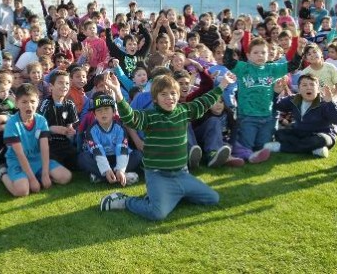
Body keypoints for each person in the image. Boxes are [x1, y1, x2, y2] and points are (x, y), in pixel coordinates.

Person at [100, 71, 235, 221]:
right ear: (155, 99)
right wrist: (118, 93)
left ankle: (168, 195)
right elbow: (130, 118)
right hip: (158, 175)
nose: (169, 98)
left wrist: (223, 84)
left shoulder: (184, 111)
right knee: (157, 213)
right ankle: (126, 201)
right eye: (163, 94)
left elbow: (204, 101)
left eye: (172, 93)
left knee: (213, 198)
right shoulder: (150, 116)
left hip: (182, 174)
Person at [224, 30, 301, 152]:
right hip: (247, 116)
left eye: (263, 52)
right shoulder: (243, 68)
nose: (260, 55)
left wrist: (299, 49)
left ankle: (250, 152)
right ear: (248, 55)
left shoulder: (272, 68)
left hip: (267, 116)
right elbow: (228, 61)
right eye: (256, 52)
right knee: (247, 146)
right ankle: (237, 148)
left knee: (262, 147)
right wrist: (233, 41)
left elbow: (293, 65)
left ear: (268, 54)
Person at [0, 83, 72, 196]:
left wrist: (45, 174)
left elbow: (45, 148)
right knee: (22, 191)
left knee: (65, 177)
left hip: (37, 159)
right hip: (18, 162)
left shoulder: (41, 121)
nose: (29, 105)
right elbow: (20, 154)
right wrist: (31, 179)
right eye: (24, 102)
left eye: (32, 101)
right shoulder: (12, 124)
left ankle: (39, 175)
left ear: (38, 102)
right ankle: (2, 173)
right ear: (17, 103)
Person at [264, 74, 337, 157]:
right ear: (299, 89)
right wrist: (275, 93)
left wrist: (330, 103)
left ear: (318, 89)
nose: (308, 87)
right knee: (279, 134)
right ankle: (314, 150)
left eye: (312, 85)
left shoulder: (325, 101)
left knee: (318, 140)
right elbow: (277, 105)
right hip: (300, 132)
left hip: (322, 134)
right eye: (304, 85)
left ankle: (281, 147)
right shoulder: (294, 99)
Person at [78, 93, 142, 184]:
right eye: (99, 110)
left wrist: (120, 169)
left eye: (107, 109)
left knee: (137, 155)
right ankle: (113, 175)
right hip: (100, 157)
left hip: (117, 157)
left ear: (114, 112)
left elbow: (122, 149)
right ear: (94, 114)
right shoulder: (91, 130)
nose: (103, 113)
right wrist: (106, 169)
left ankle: (105, 176)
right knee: (83, 158)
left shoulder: (120, 128)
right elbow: (97, 151)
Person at [38, 70, 79, 170]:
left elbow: (70, 125)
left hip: (64, 142)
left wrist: (70, 131)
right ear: (51, 87)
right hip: (49, 143)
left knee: (77, 163)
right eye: (60, 83)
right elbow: (37, 127)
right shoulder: (45, 104)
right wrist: (52, 128)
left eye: (67, 83)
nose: (64, 86)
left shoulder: (70, 104)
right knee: (56, 164)